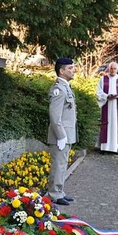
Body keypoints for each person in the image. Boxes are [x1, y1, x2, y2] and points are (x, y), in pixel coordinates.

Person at [47, 58, 78, 206]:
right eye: (70, 68)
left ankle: (59, 191)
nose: (73, 70)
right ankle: (54, 193)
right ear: (62, 71)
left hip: (66, 135)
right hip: (61, 135)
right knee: (58, 164)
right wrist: (61, 136)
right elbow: (55, 116)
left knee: (62, 163)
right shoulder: (58, 89)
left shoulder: (65, 87)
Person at [96, 61, 118, 154]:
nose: (113, 70)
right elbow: (98, 92)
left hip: (116, 106)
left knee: (114, 126)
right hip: (106, 104)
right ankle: (104, 148)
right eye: (111, 68)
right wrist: (106, 96)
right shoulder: (103, 79)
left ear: (117, 69)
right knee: (105, 125)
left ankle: (113, 148)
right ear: (108, 69)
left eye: (114, 68)